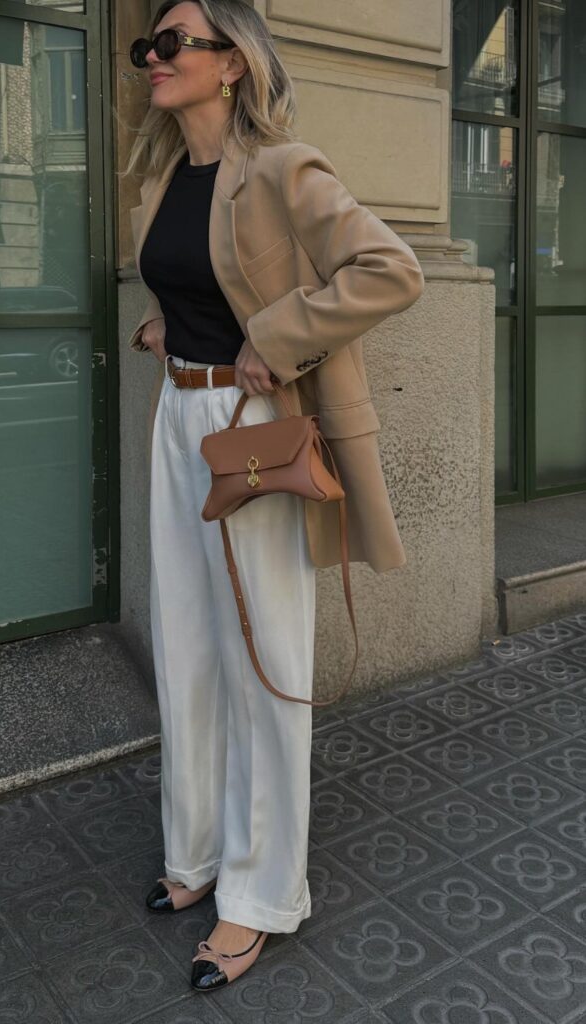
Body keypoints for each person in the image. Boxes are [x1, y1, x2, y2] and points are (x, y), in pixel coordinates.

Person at [125, 0, 424, 993]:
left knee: (259, 656)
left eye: (172, 45)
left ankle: (257, 896)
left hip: (252, 439)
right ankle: (195, 853)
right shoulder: (167, 173)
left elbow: (390, 268)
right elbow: (195, 282)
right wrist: (166, 328)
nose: (153, 60)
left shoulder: (283, 167)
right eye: (147, 46)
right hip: (179, 420)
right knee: (186, 644)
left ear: (232, 66)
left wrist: (275, 337)